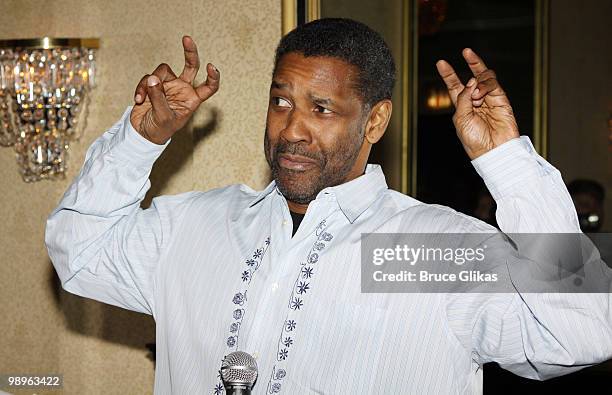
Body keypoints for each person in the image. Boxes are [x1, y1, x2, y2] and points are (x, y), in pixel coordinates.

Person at [45, 18, 612, 394]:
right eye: (281, 101)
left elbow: (582, 330)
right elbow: (80, 254)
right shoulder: (197, 226)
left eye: (322, 109)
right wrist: (139, 139)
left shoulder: (421, 250)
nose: (292, 129)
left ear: (376, 121)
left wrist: (508, 164)